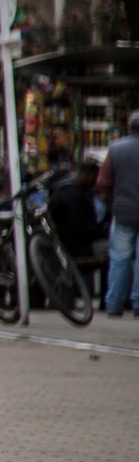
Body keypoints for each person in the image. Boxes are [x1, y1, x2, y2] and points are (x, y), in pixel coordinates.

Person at [97, 110, 139, 316]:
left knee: (120, 258)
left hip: (122, 210)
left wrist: (110, 202)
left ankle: (114, 303)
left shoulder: (116, 149)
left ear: (129, 127)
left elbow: (103, 182)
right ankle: (138, 302)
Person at [50, 160, 105, 261]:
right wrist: (102, 232)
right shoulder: (74, 195)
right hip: (78, 248)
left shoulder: (64, 189)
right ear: (89, 175)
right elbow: (81, 228)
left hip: (69, 244)